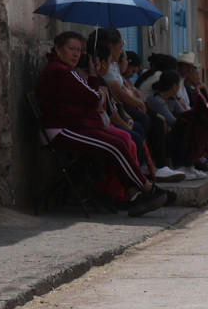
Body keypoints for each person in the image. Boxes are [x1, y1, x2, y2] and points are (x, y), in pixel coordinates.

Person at [35, 32, 167, 217]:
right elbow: (93, 97)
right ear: (58, 49)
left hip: (75, 126)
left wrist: (94, 84)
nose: (76, 54)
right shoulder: (59, 71)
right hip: (61, 130)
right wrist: (93, 76)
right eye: (71, 49)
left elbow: (93, 96)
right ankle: (146, 189)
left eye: (79, 51)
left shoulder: (68, 71)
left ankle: (134, 194)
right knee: (114, 145)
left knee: (119, 141)